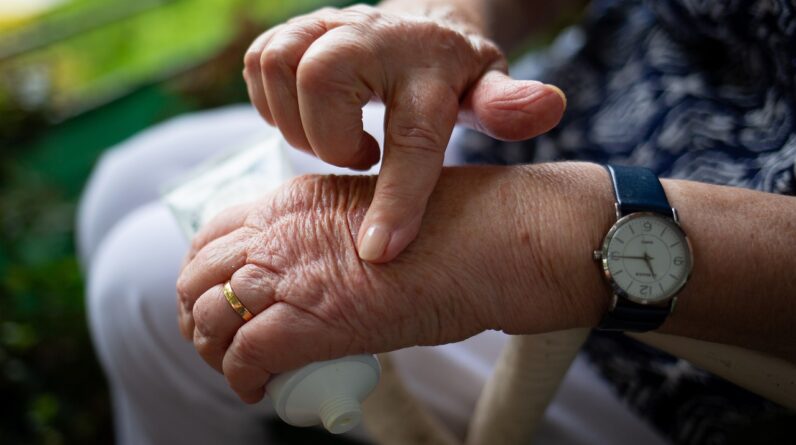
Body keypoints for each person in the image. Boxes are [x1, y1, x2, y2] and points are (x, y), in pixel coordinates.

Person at [79, 0, 796, 444]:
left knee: (139, 289)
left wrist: (552, 237)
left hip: (686, 320)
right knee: (127, 180)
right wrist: (447, 17)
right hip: (546, 117)